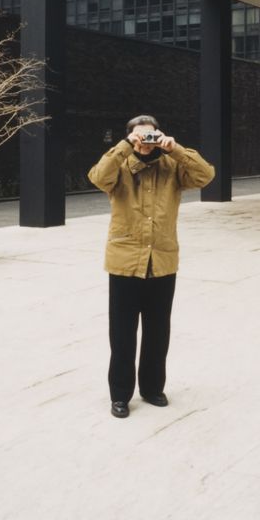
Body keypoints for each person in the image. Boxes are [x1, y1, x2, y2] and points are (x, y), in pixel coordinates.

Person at [87, 115, 215, 418]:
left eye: (151, 135)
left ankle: (152, 388)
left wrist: (177, 149)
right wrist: (124, 146)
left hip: (162, 261)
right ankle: (120, 395)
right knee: (122, 334)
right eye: (139, 136)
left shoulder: (173, 167)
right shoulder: (118, 166)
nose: (146, 142)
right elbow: (96, 176)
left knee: (158, 332)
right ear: (130, 138)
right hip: (124, 263)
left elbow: (206, 175)